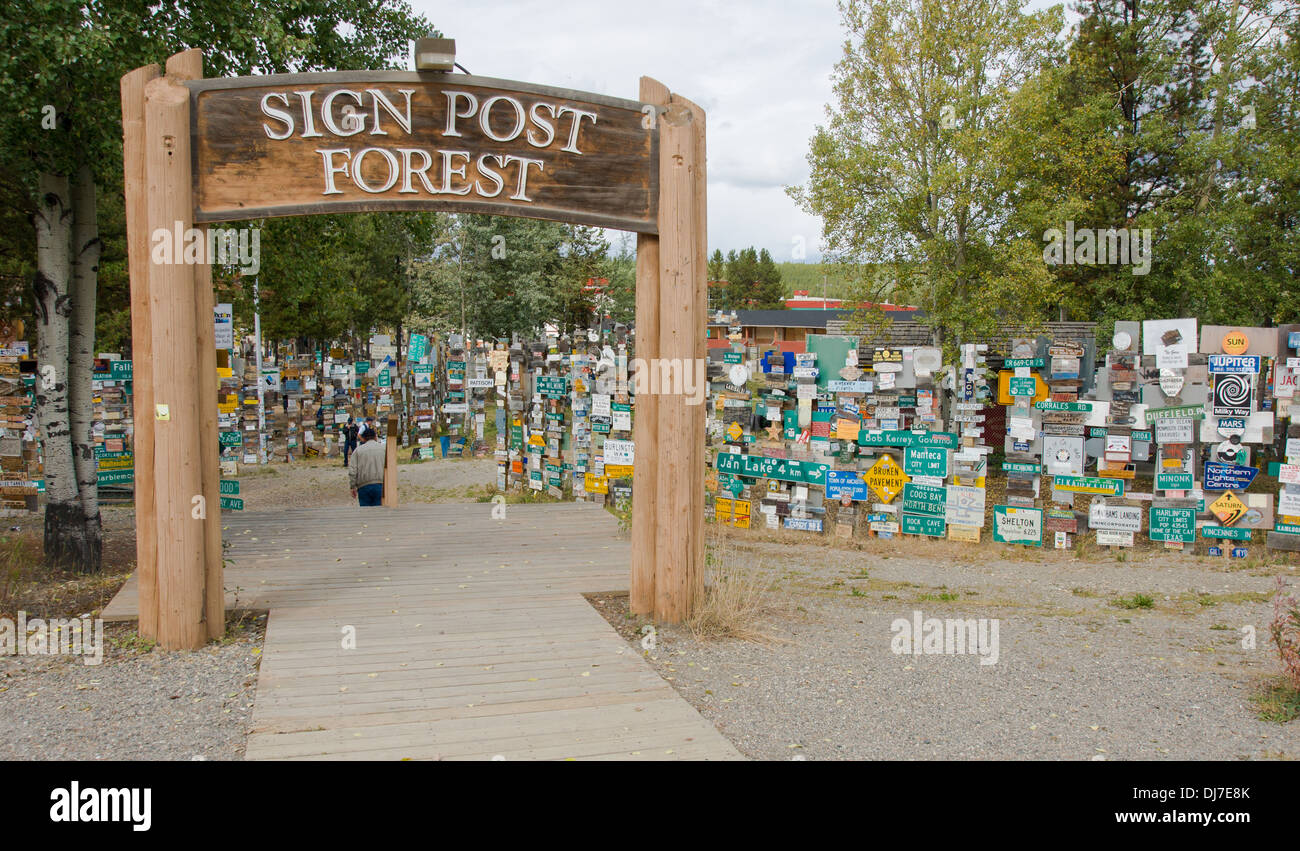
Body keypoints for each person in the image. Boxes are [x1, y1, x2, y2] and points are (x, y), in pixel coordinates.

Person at [348, 426, 385, 506]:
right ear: (375, 437)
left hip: (363, 485)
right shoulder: (383, 449)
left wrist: (352, 486)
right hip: (381, 484)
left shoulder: (358, 451)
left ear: (363, 439)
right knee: (379, 513)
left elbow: (352, 470)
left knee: (365, 514)